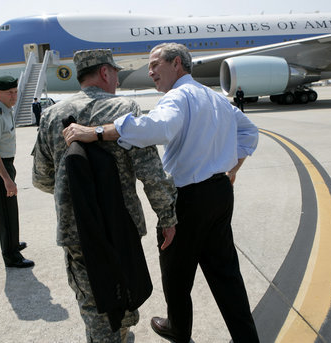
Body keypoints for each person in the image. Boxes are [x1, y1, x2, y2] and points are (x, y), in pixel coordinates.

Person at [63, 43, 260, 343]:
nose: (150, 71)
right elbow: (249, 133)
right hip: (220, 194)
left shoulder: (178, 98)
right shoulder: (214, 97)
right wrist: (232, 168)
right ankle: (247, 338)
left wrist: (97, 132)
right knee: (226, 274)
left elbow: (155, 127)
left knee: (176, 276)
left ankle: (178, 330)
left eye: (155, 65)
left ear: (177, 64)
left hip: (189, 200)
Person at [32, 49, 177, 342]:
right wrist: (167, 216)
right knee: (123, 291)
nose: (118, 81)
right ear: (104, 72)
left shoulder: (51, 114)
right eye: (116, 74)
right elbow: (150, 172)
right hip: (121, 227)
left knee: (93, 302)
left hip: (77, 230)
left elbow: (42, 178)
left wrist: (77, 197)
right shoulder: (125, 108)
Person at [0, 76, 34, 268]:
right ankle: (10, 256)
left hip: (4, 164)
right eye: (9, 93)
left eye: (15, 91)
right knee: (5, 211)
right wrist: (6, 179)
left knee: (11, 209)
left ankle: (12, 242)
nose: (14, 96)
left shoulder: (5, 110)